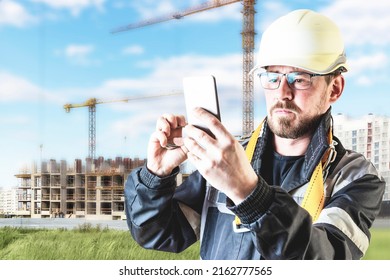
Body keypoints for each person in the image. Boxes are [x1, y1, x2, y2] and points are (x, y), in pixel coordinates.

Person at [124, 9, 385, 260]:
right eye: (272, 77)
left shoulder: (356, 177)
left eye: (300, 78)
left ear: (334, 89)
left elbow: (325, 258)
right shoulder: (226, 158)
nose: (282, 92)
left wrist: (247, 191)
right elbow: (160, 235)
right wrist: (154, 178)